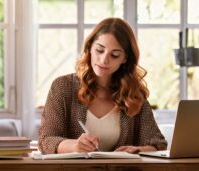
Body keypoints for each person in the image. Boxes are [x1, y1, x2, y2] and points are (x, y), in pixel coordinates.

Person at [38, 17, 167, 154]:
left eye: (115, 55)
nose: (104, 60)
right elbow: (45, 140)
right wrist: (73, 146)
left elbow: (158, 143)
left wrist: (138, 150)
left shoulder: (133, 94)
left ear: (125, 58)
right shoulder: (63, 87)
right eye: (100, 50)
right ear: (90, 48)